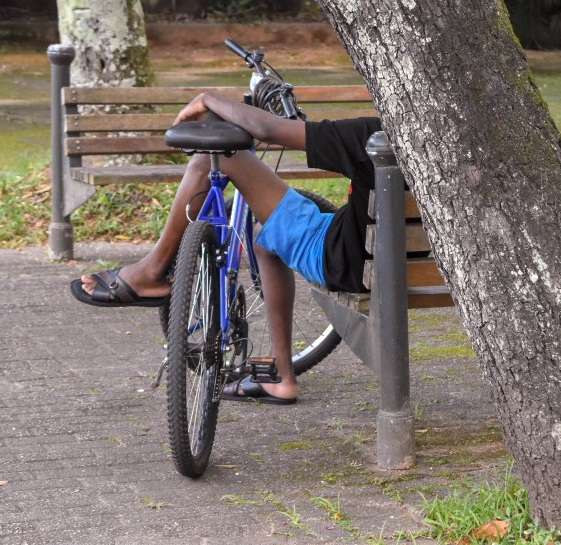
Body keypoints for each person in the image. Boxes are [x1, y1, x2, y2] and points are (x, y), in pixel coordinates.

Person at [71, 90, 381, 405]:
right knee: (264, 239)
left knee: (211, 158)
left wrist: (209, 99)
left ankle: (151, 272)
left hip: (341, 260)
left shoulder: (375, 136)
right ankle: (280, 376)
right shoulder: (430, 139)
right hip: (396, 262)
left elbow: (269, 130)